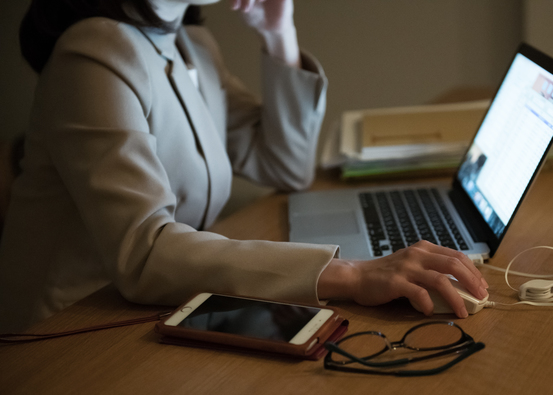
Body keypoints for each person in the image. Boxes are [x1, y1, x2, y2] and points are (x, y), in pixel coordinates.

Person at [0, 0, 488, 333]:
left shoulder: (191, 47)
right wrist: (352, 275)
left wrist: (279, 32)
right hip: (69, 331)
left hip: (153, 304)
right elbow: (144, 253)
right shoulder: (92, 53)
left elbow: (284, 165)